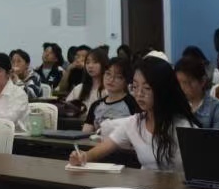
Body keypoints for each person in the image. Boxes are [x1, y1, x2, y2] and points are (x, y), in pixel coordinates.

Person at [70, 57, 199, 171]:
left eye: (147, 88)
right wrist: (83, 156)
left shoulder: (183, 127)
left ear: (163, 90)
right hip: (145, 188)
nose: (139, 94)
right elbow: (103, 148)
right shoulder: (134, 123)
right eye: (135, 87)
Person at [82, 58, 139, 134]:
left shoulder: (132, 103)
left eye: (118, 77)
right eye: (108, 74)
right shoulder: (96, 105)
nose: (111, 79)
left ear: (126, 80)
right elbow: (86, 132)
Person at [175, 56, 219, 130]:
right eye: (178, 82)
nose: (182, 87)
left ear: (202, 81)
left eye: (187, 82)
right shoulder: (175, 106)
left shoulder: (217, 109)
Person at [64, 49, 109, 119]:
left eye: (95, 62)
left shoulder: (109, 90)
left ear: (104, 64)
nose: (90, 66)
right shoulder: (79, 88)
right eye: (87, 62)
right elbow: (67, 108)